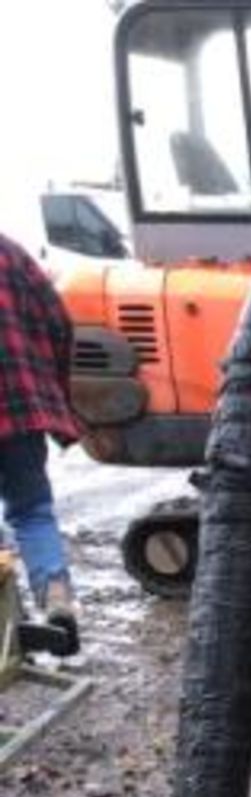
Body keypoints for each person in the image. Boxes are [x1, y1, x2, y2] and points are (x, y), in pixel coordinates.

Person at [0, 228, 80, 644]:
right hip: (20, 412)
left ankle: (6, 629)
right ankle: (56, 599)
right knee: (32, 513)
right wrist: (52, 393)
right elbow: (60, 323)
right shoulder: (10, 252)